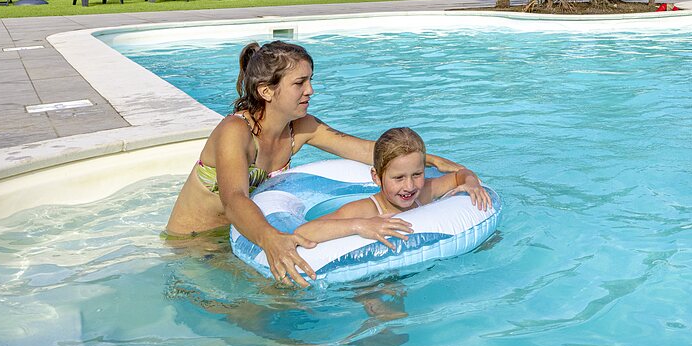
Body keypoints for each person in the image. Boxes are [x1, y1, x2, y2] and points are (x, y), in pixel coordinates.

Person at [165, 41, 489, 286]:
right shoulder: (235, 132)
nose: (311, 90)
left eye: (310, 80)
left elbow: (364, 150)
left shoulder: (300, 128)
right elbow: (234, 198)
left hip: (239, 238)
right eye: (299, 83)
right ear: (266, 91)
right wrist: (270, 239)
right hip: (196, 244)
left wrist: (426, 159)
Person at [294, 127, 487, 247]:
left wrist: (472, 184)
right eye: (399, 178)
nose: (409, 186)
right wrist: (360, 225)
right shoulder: (365, 209)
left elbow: (461, 175)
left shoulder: (425, 191)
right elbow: (304, 232)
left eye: (417, 174)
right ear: (376, 177)